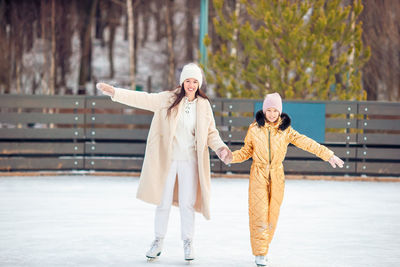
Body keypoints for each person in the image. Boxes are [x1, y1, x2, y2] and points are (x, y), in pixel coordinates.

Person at [96, 63, 231, 262]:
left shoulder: (203, 106)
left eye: (195, 81)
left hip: (191, 162)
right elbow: (142, 98)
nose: (191, 85)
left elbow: (211, 133)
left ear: (199, 84)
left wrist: (220, 148)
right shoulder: (167, 100)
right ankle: (158, 241)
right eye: (188, 81)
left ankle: (188, 242)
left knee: (187, 204)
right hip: (168, 160)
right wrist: (115, 92)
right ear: (182, 82)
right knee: (163, 202)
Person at [224, 92, 344, 267]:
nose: (272, 114)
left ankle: (264, 246)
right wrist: (230, 157)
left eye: (275, 110)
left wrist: (328, 154)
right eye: (269, 110)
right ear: (264, 111)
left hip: (277, 175)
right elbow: (246, 151)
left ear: (280, 112)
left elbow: (307, 142)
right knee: (259, 214)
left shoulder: (286, 130)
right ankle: (260, 253)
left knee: (272, 215)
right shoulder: (254, 129)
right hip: (258, 174)